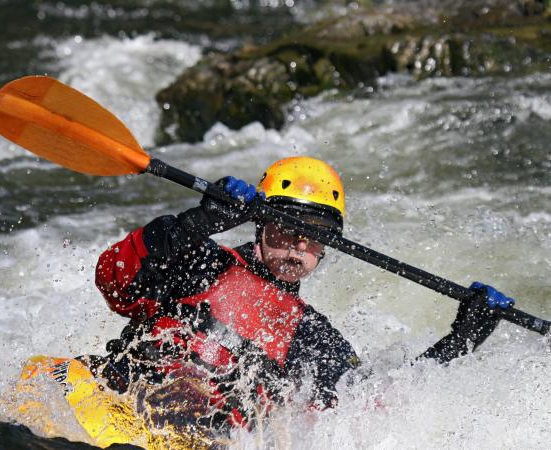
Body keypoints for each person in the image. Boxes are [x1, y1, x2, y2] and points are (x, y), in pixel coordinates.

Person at [92, 156, 515, 440]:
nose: (297, 244)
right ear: (258, 224)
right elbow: (114, 279)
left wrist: (460, 341)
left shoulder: (312, 337)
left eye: (314, 235)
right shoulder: (201, 260)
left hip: (192, 442)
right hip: (108, 403)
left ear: (327, 247)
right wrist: (198, 221)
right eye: (286, 226)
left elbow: (370, 405)